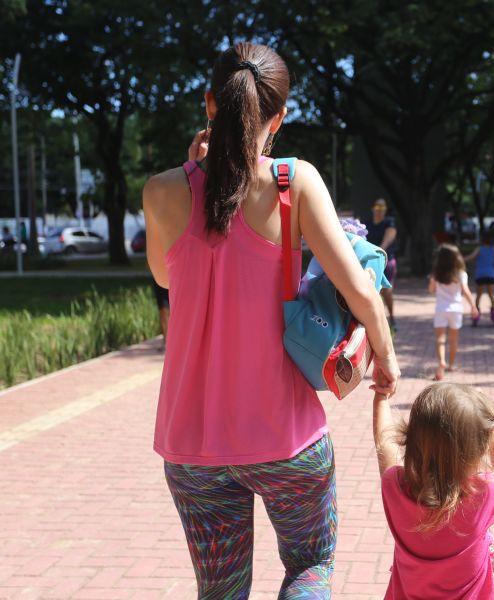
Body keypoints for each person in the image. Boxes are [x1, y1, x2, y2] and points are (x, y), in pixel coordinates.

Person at [142, 42, 399, 599]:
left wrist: (194, 166)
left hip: (190, 442)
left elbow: (167, 279)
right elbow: (359, 289)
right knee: (310, 565)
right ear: (277, 118)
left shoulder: (161, 191)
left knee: (220, 591)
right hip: (288, 441)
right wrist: (386, 361)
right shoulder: (293, 182)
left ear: (210, 103)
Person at [371, 383, 494, 599]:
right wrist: (491, 421)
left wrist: (381, 395)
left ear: (411, 439)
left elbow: (384, 443)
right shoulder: (481, 493)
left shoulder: (395, 486)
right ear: (480, 448)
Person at [428, 244, 478, 381]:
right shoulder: (461, 274)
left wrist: (434, 283)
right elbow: (465, 291)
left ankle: (441, 362)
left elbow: (431, 290)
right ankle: (450, 365)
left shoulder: (436, 273)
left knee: (440, 339)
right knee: (453, 340)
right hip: (456, 310)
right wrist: (473, 306)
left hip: (441, 309)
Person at [364, 198, 398, 330]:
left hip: (386, 260)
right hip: (371, 261)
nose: (379, 210)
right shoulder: (366, 223)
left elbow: (390, 236)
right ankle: (378, 320)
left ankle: (392, 317)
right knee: (373, 292)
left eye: (382, 207)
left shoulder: (389, 222)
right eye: (377, 207)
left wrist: (381, 250)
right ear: (373, 208)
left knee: (387, 291)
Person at [465, 230, 494, 327]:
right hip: (490, 274)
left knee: (478, 296)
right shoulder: (493, 249)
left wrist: (462, 258)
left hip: (480, 274)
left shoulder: (479, 249)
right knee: (491, 295)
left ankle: (475, 317)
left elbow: (471, 257)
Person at [150, 279, 170, 352]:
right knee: (163, 310)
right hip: (160, 278)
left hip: (176, 277)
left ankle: (173, 341)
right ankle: (166, 341)